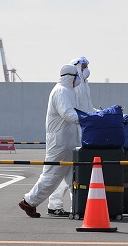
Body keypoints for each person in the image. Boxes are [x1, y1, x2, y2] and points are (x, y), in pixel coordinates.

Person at [19, 63, 82, 218]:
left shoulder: (68, 91)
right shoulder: (61, 91)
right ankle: (29, 201)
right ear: (70, 78)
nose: (78, 80)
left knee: (74, 177)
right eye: (76, 77)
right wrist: (87, 119)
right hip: (60, 143)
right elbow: (68, 114)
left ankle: (80, 208)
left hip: (67, 143)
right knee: (51, 176)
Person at [46, 57, 95, 217]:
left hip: (76, 133)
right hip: (72, 134)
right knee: (65, 173)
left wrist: (98, 113)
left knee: (68, 173)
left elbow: (87, 108)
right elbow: (76, 111)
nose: (87, 69)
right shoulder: (74, 87)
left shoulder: (84, 85)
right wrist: (90, 118)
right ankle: (74, 206)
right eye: (84, 66)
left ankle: (62, 205)